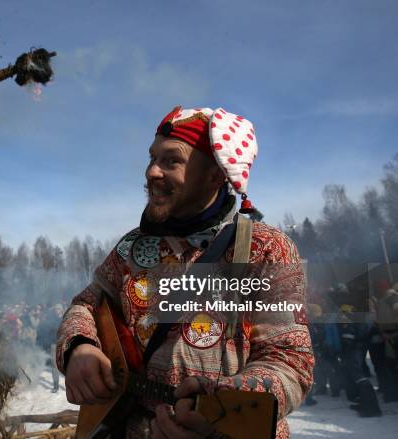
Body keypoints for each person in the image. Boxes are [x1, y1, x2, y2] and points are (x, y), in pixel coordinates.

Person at [56, 107, 314, 438]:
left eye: (171, 160)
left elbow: (290, 361)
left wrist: (220, 413)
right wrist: (79, 346)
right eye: (152, 158)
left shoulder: (266, 248)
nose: (151, 172)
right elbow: (86, 305)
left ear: (215, 174)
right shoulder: (131, 248)